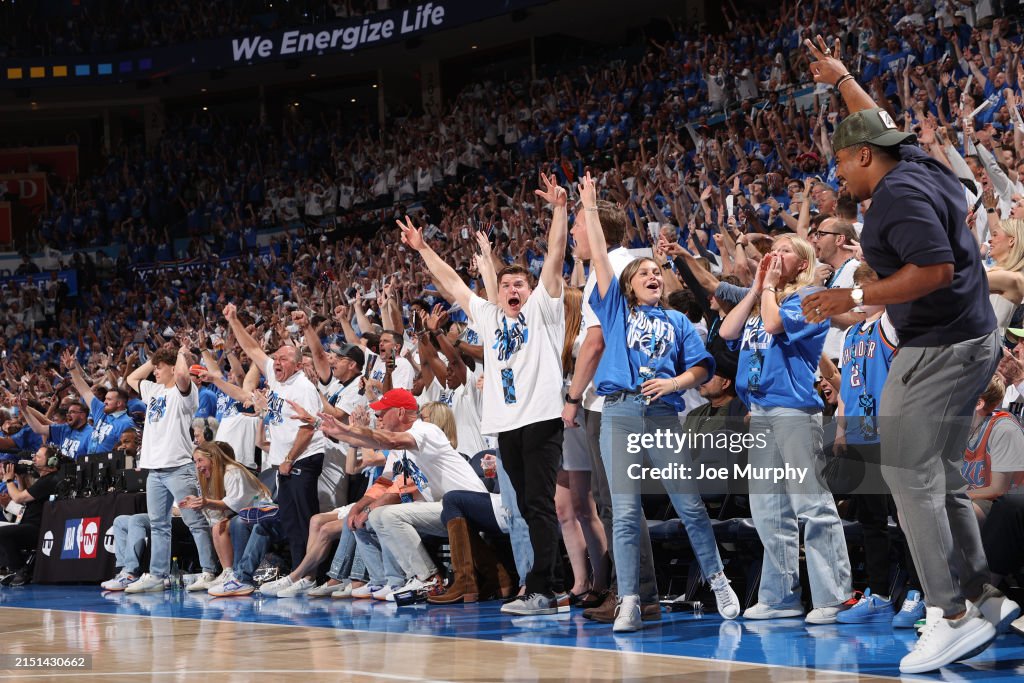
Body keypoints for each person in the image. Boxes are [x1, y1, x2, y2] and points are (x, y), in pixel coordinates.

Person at [803, 36, 1019, 673]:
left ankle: (947, 613)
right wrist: (843, 78)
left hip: (942, 347)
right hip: (967, 335)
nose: (836, 174)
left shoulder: (893, 201)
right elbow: (882, 124)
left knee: (902, 471)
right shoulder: (918, 165)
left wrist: (853, 296)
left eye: (841, 163)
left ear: (865, 157)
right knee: (938, 475)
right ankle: (983, 594)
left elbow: (934, 270)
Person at [397, 171, 568, 617]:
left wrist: (560, 209)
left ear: (531, 293)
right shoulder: (491, 319)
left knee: (538, 506)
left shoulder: (544, 312)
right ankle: (538, 587)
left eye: (520, 286)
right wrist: (423, 249)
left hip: (542, 420)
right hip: (505, 427)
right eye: (507, 285)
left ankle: (543, 589)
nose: (513, 290)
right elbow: (453, 283)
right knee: (527, 513)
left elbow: (554, 254)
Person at [580, 172, 739, 632]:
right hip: (620, 412)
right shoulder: (613, 310)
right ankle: (629, 598)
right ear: (628, 287)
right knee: (626, 513)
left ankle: (718, 579)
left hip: (665, 413)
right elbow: (603, 264)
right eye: (642, 272)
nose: (652, 274)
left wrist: (675, 384)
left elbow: (704, 368)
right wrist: (590, 206)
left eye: (657, 271)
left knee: (688, 504)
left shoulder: (677, 321)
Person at [720, 234, 854, 624]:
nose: (776, 254)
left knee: (810, 503)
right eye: (773, 248)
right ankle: (780, 597)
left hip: (794, 411)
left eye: (786, 250)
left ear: (804, 262)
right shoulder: (768, 295)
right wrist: (758, 287)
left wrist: (771, 290)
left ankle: (834, 596)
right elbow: (728, 332)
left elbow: (775, 324)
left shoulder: (811, 297)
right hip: (760, 410)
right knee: (768, 508)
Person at [313, 393, 488, 601]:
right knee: (377, 516)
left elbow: (392, 444)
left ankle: (428, 579)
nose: (379, 415)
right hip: (445, 509)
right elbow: (385, 480)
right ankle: (398, 579)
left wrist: (348, 430)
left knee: (386, 515)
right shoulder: (404, 449)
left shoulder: (425, 429)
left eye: (384, 412)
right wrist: (341, 433)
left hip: (469, 504)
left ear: (401, 412)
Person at [829, 263, 923, 628]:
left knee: (906, 517)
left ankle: (918, 591)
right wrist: (840, 429)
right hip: (858, 435)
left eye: (866, 287)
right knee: (871, 520)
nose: (861, 294)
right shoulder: (853, 332)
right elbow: (846, 391)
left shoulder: (890, 324)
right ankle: (880, 594)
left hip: (891, 433)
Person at [223, 303, 326, 574]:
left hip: (302, 459)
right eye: (276, 358)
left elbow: (308, 428)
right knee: (292, 522)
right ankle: (299, 573)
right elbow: (252, 350)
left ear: (298, 364)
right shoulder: (279, 378)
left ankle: (308, 575)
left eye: (283, 359)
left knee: (301, 522)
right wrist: (234, 320)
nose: (276, 362)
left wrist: (290, 459)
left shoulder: (302, 387)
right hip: (288, 462)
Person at [123, 347, 218, 593]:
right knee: (158, 525)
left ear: (173, 368)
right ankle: (157, 575)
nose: (154, 372)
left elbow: (184, 377)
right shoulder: (153, 390)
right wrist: (155, 358)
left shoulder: (184, 392)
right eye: (154, 368)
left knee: (194, 522)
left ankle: (209, 571)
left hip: (179, 466)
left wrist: (178, 354)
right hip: (154, 470)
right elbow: (131, 379)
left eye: (159, 368)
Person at [180, 441, 273, 592]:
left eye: (200, 460)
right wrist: (199, 502)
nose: (197, 466)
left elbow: (233, 503)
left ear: (213, 458)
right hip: (242, 513)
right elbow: (220, 511)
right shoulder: (212, 477)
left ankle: (236, 573)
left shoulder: (232, 472)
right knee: (218, 526)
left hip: (261, 510)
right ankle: (227, 572)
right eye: (195, 461)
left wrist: (206, 502)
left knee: (230, 525)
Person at [962, 375, 1024, 524]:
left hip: (996, 503)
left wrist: (956, 496)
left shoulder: (1004, 430)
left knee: (954, 514)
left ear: (978, 403)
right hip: (971, 494)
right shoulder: (962, 427)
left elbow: (998, 489)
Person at [0, 445, 62, 586]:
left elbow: (18, 498)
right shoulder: (44, 480)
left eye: (38, 456)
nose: (34, 458)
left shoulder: (50, 480)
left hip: (38, 528)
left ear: (51, 462)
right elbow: (26, 500)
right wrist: (20, 479)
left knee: (2, 534)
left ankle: (21, 569)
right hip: (30, 524)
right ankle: (15, 569)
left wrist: (8, 480)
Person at [63, 350, 135, 454]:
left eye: (109, 399)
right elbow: (85, 391)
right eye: (105, 398)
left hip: (110, 466)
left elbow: (128, 451)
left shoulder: (126, 423)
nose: (104, 401)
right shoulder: (101, 410)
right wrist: (72, 369)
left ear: (119, 404)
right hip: (90, 463)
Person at [984, 219, 1024, 337]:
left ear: (1011, 241)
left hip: (982, 347)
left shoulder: (1011, 277)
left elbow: (963, 281)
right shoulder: (1005, 274)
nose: (990, 239)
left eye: (995, 235)